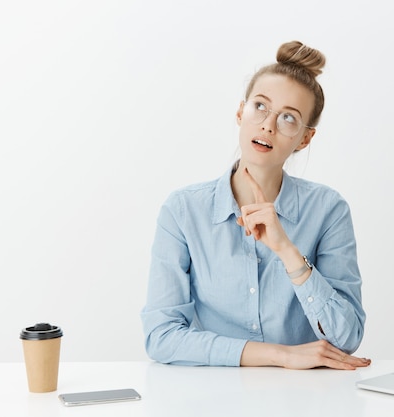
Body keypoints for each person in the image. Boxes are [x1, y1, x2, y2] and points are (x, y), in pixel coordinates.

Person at [141, 41, 370, 370]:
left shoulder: (328, 210)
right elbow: (160, 337)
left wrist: (286, 250)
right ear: (240, 112)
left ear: (304, 139)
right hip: (215, 394)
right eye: (260, 107)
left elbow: (347, 337)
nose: (268, 125)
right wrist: (281, 355)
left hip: (304, 396)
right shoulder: (182, 211)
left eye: (288, 118)